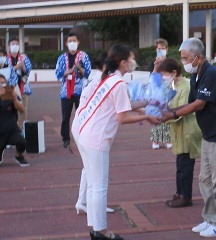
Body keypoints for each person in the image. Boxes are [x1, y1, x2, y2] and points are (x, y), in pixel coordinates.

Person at [72, 44, 160, 240]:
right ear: (123, 62)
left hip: (87, 134)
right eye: (131, 58)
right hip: (97, 138)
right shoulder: (118, 83)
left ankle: (96, 228)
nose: (134, 62)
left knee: (95, 186)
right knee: (99, 187)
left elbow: (124, 106)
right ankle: (102, 231)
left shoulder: (109, 79)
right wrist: (147, 117)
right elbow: (123, 117)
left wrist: (146, 104)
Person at [162, 37, 216, 237]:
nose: (184, 62)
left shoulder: (211, 74)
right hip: (209, 134)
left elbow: (199, 104)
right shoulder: (196, 75)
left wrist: (172, 114)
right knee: (206, 178)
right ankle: (210, 218)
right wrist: (165, 112)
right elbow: (189, 103)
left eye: (186, 58)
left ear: (198, 56)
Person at [157, 58, 201, 208]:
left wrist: (165, 116)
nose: (163, 77)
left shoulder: (186, 86)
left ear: (174, 72)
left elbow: (183, 109)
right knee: (180, 165)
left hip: (187, 129)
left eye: (165, 74)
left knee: (186, 165)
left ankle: (186, 196)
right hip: (178, 129)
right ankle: (179, 192)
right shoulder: (173, 85)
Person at [73, 52, 114, 214]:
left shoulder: (98, 79)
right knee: (93, 171)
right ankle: (92, 206)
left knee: (88, 168)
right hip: (85, 127)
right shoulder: (100, 81)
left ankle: (83, 202)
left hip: (81, 124)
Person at [55, 32, 91, 148]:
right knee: (66, 116)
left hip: (81, 91)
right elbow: (58, 73)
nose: (72, 43)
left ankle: (83, 136)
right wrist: (69, 71)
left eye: (74, 41)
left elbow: (88, 73)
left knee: (82, 115)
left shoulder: (83, 56)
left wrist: (79, 68)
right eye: (69, 41)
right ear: (66, 43)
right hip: (66, 91)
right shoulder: (62, 58)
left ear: (78, 42)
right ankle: (65, 138)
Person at [0, 74, 29, 167]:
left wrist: (15, 99)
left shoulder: (11, 94)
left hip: (12, 129)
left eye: (3, 83)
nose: (1, 86)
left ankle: (19, 156)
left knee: (22, 142)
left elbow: (21, 109)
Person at [149, 38, 172, 149]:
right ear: (156, 50)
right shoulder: (153, 63)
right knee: (156, 115)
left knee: (167, 115)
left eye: (163, 48)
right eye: (159, 49)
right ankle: (156, 139)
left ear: (167, 50)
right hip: (156, 93)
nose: (161, 50)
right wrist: (156, 67)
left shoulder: (170, 62)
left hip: (168, 90)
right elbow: (152, 78)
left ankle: (167, 138)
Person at [6, 37, 32, 130]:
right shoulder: (5, 59)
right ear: (9, 46)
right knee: (12, 109)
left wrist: (23, 67)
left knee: (23, 109)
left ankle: (23, 130)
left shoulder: (24, 57)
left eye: (17, 44)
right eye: (13, 44)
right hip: (10, 89)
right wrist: (17, 66)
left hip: (23, 87)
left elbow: (28, 71)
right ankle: (14, 130)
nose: (15, 46)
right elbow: (5, 72)